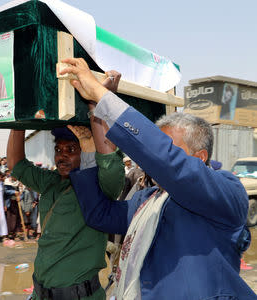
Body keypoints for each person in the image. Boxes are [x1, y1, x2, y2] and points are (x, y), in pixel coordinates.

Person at [61, 58, 256, 299]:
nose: (153, 159)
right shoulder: (149, 199)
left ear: (200, 157)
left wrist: (103, 98)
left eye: (169, 147)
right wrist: (90, 150)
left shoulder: (226, 191)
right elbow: (99, 215)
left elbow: (169, 162)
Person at [7, 77, 125, 299]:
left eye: (71, 149)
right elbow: (16, 165)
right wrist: (19, 120)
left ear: (87, 151)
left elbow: (110, 164)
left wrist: (96, 105)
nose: (62, 156)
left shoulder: (101, 188)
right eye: (58, 149)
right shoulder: (51, 182)